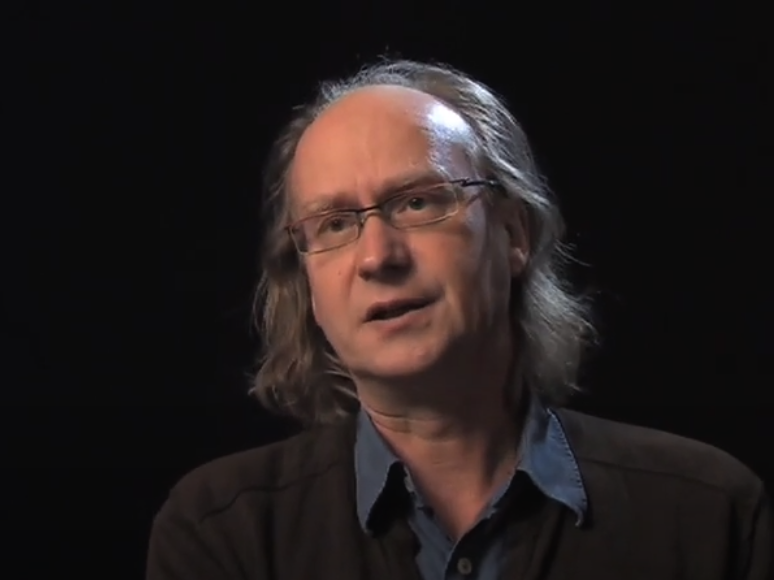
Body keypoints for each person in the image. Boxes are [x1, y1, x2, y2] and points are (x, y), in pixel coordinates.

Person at [146, 59, 771, 580]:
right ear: (306, 279)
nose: (377, 256)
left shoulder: (709, 514)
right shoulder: (222, 533)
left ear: (514, 233)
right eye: (334, 224)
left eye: (418, 202)